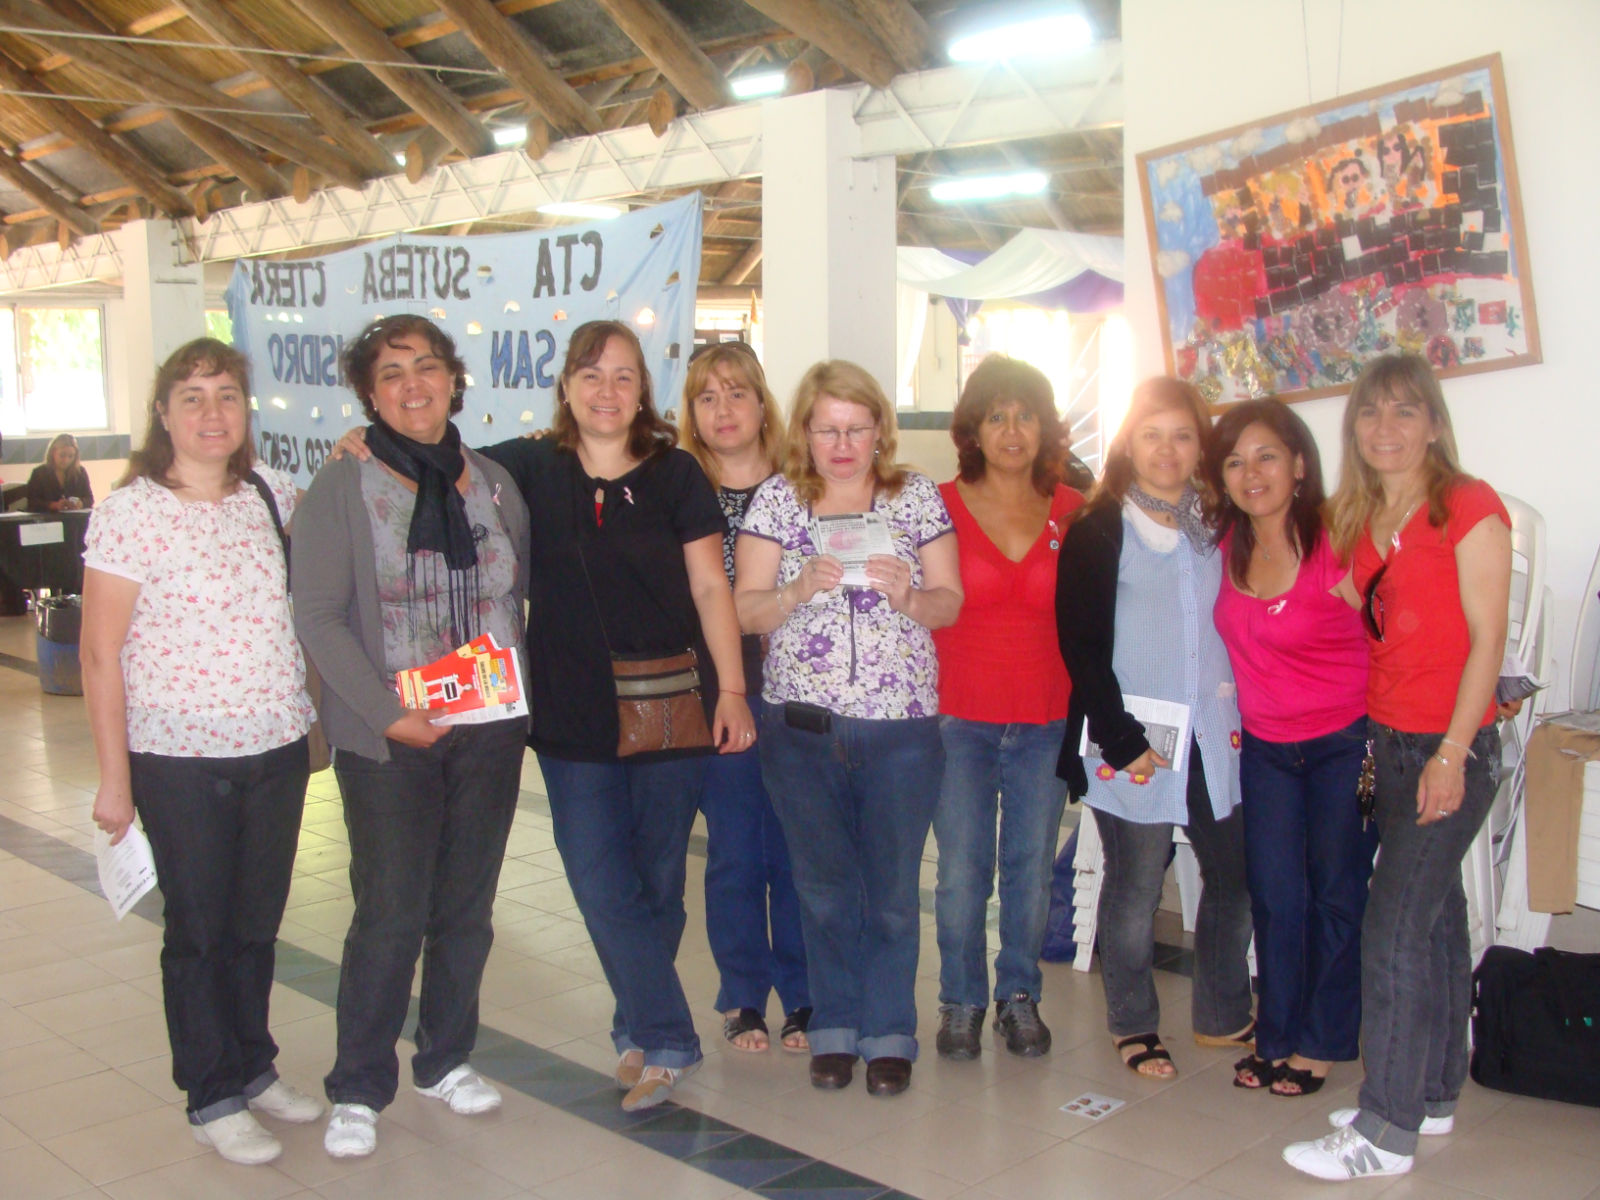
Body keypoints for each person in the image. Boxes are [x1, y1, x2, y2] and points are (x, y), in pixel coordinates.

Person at [294, 315, 531, 1159]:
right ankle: (359, 1086)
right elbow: (318, 616)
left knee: (466, 908)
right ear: (370, 394)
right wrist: (385, 713)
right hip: (388, 733)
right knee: (391, 913)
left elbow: (515, 592)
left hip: (488, 728)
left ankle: (445, 1058)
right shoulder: (344, 485)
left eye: (426, 366)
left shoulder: (494, 482)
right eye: (391, 373)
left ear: (453, 379)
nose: (412, 385)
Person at [82, 338, 321, 1166]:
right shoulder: (132, 512)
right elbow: (98, 653)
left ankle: (254, 1066)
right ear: (163, 413)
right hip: (177, 756)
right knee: (201, 930)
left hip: (276, 745)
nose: (212, 412)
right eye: (192, 396)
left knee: (256, 924)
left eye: (226, 395)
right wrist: (115, 781)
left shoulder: (271, 493)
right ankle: (212, 1092)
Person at [1283, 353, 1510, 1180]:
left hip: (1449, 747)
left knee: (1393, 934)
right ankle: (1433, 1094)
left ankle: (1384, 1132)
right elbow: (1350, 611)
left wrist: (1453, 753)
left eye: (1405, 411)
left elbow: (1489, 640)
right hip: (1388, 743)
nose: (1386, 428)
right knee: (1436, 921)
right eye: (1371, 413)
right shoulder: (1362, 515)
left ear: (1435, 424)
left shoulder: (1469, 506)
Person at [734, 360, 962, 1098]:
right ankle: (834, 1027)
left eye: (856, 429)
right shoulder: (778, 499)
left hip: (901, 730)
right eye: (827, 429)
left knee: (892, 893)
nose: (841, 445)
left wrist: (911, 598)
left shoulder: (914, 496)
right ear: (804, 430)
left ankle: (889, 1031)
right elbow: (744, 608)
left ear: (879, 431)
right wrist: (796, 590)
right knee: (824, 888)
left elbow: (951, 601)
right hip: (802, 727)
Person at [1056, 376, 1253, 1081]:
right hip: (1132, 739)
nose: (1166, 450)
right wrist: (1121, 738)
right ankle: (1133, 1021)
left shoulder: (1221, 525)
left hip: (1214, 735)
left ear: (1202, 446)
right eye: (1151, 435)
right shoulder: (1100, 526)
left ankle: (1222, 1012)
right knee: (1137, 883)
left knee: (1234, 874)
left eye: (1182, 435)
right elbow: (1080, 646)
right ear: (1128, 443)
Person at [1206, 399, 1375, 1098]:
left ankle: (1322, 1040)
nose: (1251, 473)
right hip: (1267, 747)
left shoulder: (1341, 538)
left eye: (1267, 456)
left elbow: (1396, 631)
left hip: (1345, 743)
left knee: (1336, 893)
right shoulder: (1225, 546)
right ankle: (1275, 1033)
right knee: (1276, 895)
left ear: (1299, 464)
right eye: (1235, 461)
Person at [929, 354, 1084, 1061]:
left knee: (1029, 867)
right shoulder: (936, 506)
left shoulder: (1076, 510)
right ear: (973, 430)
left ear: (1045, 428)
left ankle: (1018, 996)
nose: (1013, 430)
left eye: (1025, 415)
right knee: (962, 871)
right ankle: (960, 1001)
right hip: (957, 718)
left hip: (1046, 717)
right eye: (997, 416)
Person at [678, 342, 811, 1054]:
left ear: (763, 403)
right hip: (717, 694)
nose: (723, 409)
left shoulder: (804, 485)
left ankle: (804, 991)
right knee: (734, 850)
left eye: (736, 393)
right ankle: (743, 996)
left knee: (797, 847)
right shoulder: (678, 488)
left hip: (800, 693)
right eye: (707, 397)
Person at [27, 431, 94, 511]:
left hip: (74, 516)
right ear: (53, 453)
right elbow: (32, 501)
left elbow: (90, 499)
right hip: (48, 516)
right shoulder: (39, 473)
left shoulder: (80, 472)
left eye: (71, 456)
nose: (66, 460)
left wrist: (81, 503)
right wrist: (53, 505)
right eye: (62, 455)